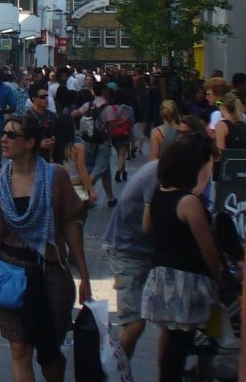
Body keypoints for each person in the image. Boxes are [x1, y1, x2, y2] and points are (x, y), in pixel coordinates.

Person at [0, 112, 92, 382]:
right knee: (19, 348)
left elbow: (71, 226)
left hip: (50, 275)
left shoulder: (54, 175)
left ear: (30, 142)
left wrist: (84, 275)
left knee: (49, 351)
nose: (3, 139)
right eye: (3, 132)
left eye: (12, 135)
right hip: (11, 273)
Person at [141, 133, 220, 382]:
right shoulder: (189, 202)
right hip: (185, 280)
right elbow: (207, 247)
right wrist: (219, 276)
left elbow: (147, 228)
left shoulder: (158, 193)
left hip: (161, 276)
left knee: (173, 341)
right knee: (180, 343)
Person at [105, 152, 162, 360]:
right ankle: (111, 371)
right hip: (127, 250)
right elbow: (149, 224)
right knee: (134, 323)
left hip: (142, 250)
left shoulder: (159, 169)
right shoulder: (158, 175)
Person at [52, 113, 97, 216]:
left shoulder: (53, 146)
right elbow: (82, 170)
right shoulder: (77, 147)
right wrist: (91, 190)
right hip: (77, 186)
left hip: (58, 186)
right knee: (78, 219)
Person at [27, 81, 56, 161]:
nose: (46, 99)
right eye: (42, 97)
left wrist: (54, 139)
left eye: (47, 96)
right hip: (32, 159)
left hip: (51, 157)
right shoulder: (27, 117)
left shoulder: (52, 116)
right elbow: (22, 141)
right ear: (34, 99)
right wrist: (39, 144)